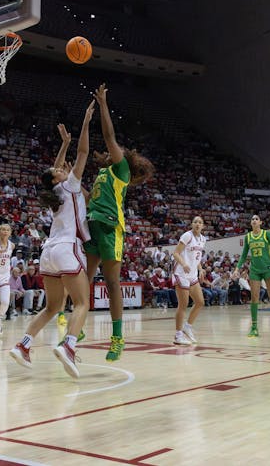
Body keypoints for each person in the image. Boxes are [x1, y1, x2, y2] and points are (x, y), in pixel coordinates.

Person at [11, 105, 94, 378]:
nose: (60, 168)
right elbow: (82, 153)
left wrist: (63, 143)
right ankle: (69, 345)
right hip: (68, 247)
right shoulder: (69, 185)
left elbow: (55, 170)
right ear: (58, 177)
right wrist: (85, 121)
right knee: (82, 303)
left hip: (48, 252)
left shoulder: (54, 191)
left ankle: (24, 345)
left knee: (52, 307)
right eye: (58, 169)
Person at [83, 84, 154, 362]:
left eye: (119, 149)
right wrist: (72, 182)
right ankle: (75, 328)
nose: (114, 148)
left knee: (112, 284)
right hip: (94, 222)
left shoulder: (121, 168)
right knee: (84, 280)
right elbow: (90, 199)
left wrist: (103, 104)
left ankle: (117, 338)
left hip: (112, 228)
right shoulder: (103, 173)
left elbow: (109, 134)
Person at [234, 215, 270, 337]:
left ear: (260, 222)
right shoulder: (248, 236)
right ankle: (254, 327)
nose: (254, 220)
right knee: (254, 298)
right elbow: (243, 255)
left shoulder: (266, 234)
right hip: (254, 270)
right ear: (251, 223)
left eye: (256, 219)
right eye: (252, 219)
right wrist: (237, 269)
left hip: (268, 268)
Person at [171, 216, 207, 345]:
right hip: (181, 273)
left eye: (200, 222)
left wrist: (201, 269)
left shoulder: (203, 239)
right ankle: (178, 335)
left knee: (200, 302)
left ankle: (188, 326)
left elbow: (196, 257)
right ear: (192, 224)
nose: (197, 224)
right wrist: (184, 264)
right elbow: (175, 253)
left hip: (192, 274)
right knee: (183, 304)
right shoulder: (187, 236)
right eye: (195, 222)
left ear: (203, 226)